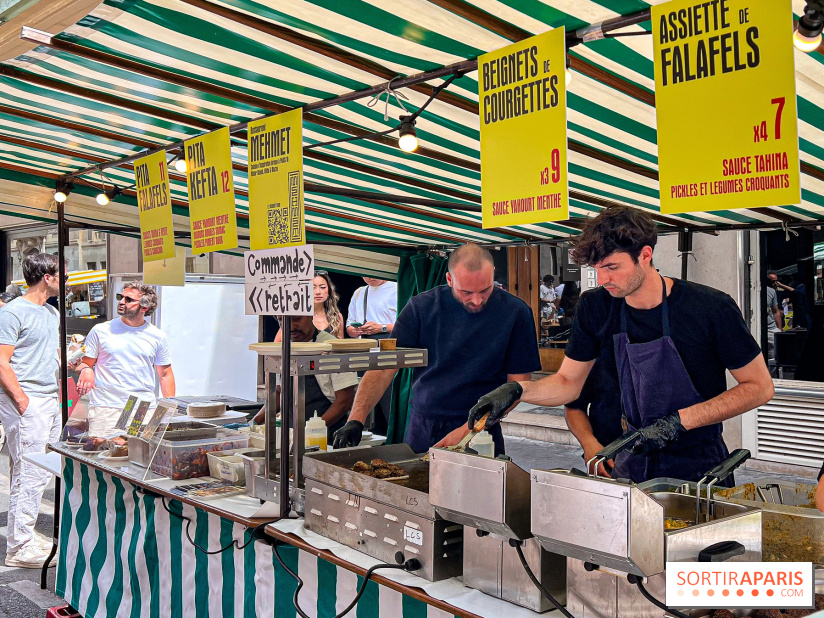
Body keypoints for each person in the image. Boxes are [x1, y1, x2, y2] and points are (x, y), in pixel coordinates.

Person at [467, 206, 774, 485]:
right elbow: (568, 384)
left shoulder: (710, 308)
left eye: (612, 267)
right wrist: (519, 391)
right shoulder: (596, 307)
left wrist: (678, 422)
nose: (602, 279)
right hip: (626, 467)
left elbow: (759, 387)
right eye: (597, 268)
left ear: (645, 255)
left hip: (699, 470)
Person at [333, 243, 540, 456]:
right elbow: (385, 365)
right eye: (466, 292)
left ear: (493, 274)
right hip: (423, 425)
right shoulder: (421, 307)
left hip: (482, 430)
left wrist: (469, 429)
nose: (477, 300)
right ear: (449, 280)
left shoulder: (516, 313)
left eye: (485, 289)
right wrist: (356, 419)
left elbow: (518, 385)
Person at [0, 253, 63, 568]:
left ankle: (27, 539)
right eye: (60, 273)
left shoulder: (51, 313)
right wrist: (21, 399)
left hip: (49, 398)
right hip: (27, 400)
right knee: (30, 473)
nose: (64, 279)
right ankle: (19, 548)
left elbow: (48, 355)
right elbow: (1, 361)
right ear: (48, 276)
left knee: (45, 470)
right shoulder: (12, 312)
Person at [75, 284, 175, 436]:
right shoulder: (101, 330)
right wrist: (86, 369)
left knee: (141, 456)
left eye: (129, 299)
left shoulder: (157, 336)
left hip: (143, 408)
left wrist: (169, 413)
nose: (121, 302)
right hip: (108, 407)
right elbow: (84, 363)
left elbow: (165, 374)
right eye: (120, 297)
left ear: (145, 307)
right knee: (104, 456)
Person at [254, 315, 357, 440]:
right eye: (282, 320)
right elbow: (277, 395)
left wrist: (311, 432)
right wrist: (253, 423)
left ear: (310, 315)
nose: (291, 327)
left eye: (297, 319)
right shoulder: (282, 350)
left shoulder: (333, 347)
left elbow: (344, 401)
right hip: (292, 437)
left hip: (328, 437)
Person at [345, 277, 398, 432]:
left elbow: (405, 325)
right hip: (366, 347)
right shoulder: (360, 292)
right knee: (368, 395)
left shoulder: (396, 289)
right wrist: (355, 330)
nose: (369, 277)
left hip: (389, 346)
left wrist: (381, 327)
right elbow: (349, 325)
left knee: (388, 395)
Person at [563, 359, 623, 477]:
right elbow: (573, 407)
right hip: (607, 461)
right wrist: (588, 443)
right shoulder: (596, 350)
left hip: (664, 465)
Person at [275, 271, 344, 341]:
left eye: (322, 287)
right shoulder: (294, 313)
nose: (318, 292)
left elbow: (339, 345)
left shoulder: (336, 316)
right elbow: (277, 344)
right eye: (312, 287)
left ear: (329, 291)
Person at [765, 272, 783, 361]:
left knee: (773, 357)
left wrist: (780, 330)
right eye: (773, 281)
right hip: (760, 328)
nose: (776, 284)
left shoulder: (772, 292)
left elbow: (776, 311)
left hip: (771, 328)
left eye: (777, 281)